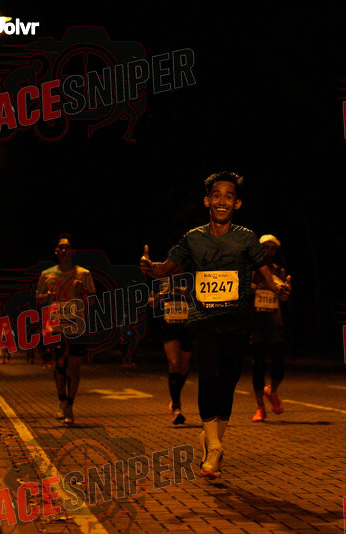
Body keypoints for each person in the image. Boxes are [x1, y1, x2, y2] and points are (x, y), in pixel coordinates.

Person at [140, 171, 290, 479]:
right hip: (204, 320)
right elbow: (165, 269)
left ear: (237, 203)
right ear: (207, 200)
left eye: (229, 196)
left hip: (237, 321)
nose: (222, 201)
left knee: (228, 383)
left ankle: (212, 439)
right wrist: (149, 266)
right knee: (208, 377)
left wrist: (279, 286)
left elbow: (266, 275)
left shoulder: (246, 238)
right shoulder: (193, 238)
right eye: (217, 195)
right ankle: (215, 448)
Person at [35, 234, 96, 425]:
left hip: (77, 325)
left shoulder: (84, 274)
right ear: (56, 251)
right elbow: (38, 298)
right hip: (56, 325)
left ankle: (70, 404)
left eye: (67, 247)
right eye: (60, 247)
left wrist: (83, 292)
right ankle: (61, 400)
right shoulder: (47, 274)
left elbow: (93, 301)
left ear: (73, 251)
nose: (64, 250)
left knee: (74, 367)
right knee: (60, 366)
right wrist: (48, 295)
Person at [250, 234, 289, 422]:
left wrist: (285, 292)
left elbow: (285, 295)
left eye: (273, 248)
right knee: (258, 366)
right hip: (256, 323)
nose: (269, 251)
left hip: (275, 323)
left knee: (279, 364)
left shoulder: (279, 271)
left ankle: (272, 391)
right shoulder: (250, 270)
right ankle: (260, 407)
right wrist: (253, 288)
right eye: (266, 247)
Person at [149, 275, 193, 425]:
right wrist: (159, 297)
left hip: (187, 326)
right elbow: (151, 303)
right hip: (169, 326)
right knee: (174, 364)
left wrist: (187, 295)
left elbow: (199, 300)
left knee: (184, 368)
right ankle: (176, 407)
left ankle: (175, 398)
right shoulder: (160, 281)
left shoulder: (190, 278)